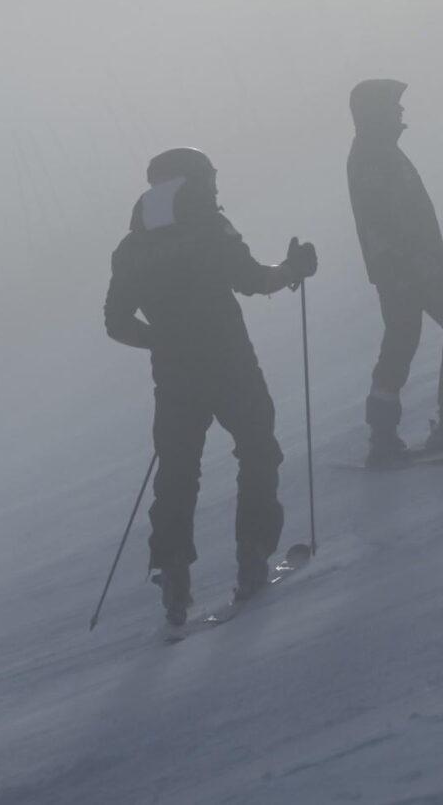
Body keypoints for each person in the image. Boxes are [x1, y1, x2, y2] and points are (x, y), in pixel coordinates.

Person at [103, 147, 315, 628]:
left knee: (178, 473)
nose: (215, 188)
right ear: (191, 182)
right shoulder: (208, 226)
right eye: (210, 179)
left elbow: (115, 323)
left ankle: (174, 579)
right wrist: (292, 271)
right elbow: (251, 280)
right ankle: (252, 555)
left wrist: (160, 341)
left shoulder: (132, 248)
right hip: (230, 362)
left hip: (174, 375)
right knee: (257, 449)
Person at [345, 78, 443, 466]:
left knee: (404, 340)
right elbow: (385, 221)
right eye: (394, 106)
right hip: (407, 269)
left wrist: (434, 254)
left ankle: (394, 431)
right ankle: (442, 420)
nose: (400, 113)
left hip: (413, 265)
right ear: (375, 112)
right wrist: (419, 260)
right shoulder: (373, 156)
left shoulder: (383, 150)